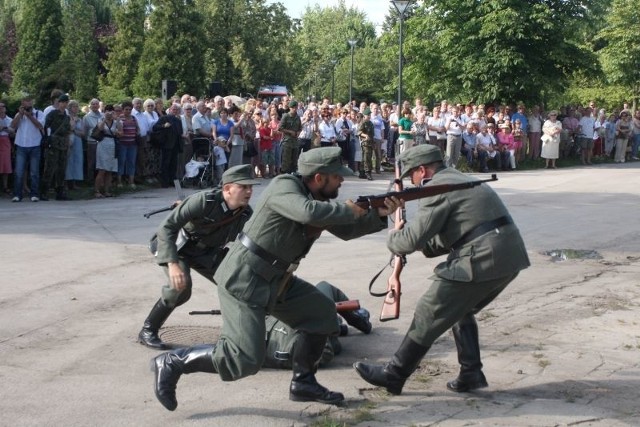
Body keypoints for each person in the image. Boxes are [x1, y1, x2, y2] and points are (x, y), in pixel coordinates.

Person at [151, 147, 401, 411]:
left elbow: (346, 230)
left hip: (277, 278)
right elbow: (308, 213)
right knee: (245, 359)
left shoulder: (318, 202)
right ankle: (173, 362)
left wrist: (379, 215)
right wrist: (350, 209)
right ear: (318, 177)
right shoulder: (285, 187)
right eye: (337, 176)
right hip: (244, 279)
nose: (342, 181)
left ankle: (303, 383)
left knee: (321, 314)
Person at [354, 144, 530, 396]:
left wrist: (395, 235)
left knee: (430, 308)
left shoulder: (437, 189)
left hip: (482, 255)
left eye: (411, 176)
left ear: (422, 170)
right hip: (508, 254)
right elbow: (446, 236)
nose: (411, 182)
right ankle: (470, 373)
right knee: (460, 309)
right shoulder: (460, 180)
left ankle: (394, 375)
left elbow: (410, 240)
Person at [138, 165, 259, 350]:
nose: (249, 191)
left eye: (251, 187)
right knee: (180, 288)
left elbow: (248, 243)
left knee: (237, 282)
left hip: (207, 252)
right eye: (243, 187)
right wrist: (172, 264)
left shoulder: (245, 213)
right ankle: (148, 330)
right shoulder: (204, 201)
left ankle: (241, 332)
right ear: (227, 188)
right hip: (180, 248)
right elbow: (167, 228)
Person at [263, 281, 372, 370]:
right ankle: (359, 319)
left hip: (289, 332)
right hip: (315, 335)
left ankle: (341, 324)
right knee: (324, 286)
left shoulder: (251, 352)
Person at [11, 97, 45, 202]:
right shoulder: (19, 114)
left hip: (35, 145)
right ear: (22, 103)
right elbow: (12, 126)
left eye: (30, 101)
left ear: (33, 102)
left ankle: (34, 194)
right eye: (26, 101)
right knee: (19, 172)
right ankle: (17, 194)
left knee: (34, 172)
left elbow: (40, 126)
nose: (28, 103)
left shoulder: (39, 113)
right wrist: (20, 115)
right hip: (21, 145)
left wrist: (30, 116)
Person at [41, 94, 72, 201]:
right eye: (63, 102)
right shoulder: (52, 114)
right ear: (59, 103)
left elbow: (68, 131)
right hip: (53, 144)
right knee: (49, 168)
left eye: (66, 103)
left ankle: (60, 192)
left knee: (61, 169)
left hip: (63, 144)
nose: (64, 104)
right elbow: (46, 127)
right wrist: (48, 140)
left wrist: (68, 144)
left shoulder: (67, 117)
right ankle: (44, 192)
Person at [94, 104, 121, 198]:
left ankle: (106, 190)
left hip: (112, 144)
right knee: (102, 169)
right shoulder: (101, 120)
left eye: (111, 111)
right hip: (103, 144)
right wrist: (105, 119)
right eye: (107, 111)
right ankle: (97, 191)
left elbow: (121, 132)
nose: (109, 113)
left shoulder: (116, 121)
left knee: (110, 170)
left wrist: (116, 119)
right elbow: (100, 128)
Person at [278, 100, 302, 173]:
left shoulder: (297, 117)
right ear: (290, 108)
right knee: (286, 160)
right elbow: (280, 128)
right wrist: (289, 132)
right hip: (287, 141)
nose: (295, 109)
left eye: (296, 107)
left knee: (295, 160)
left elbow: (300, 128)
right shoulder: (286, 116)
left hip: (295, 141)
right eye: (293, 108)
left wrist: (298, 132)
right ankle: (284, 175)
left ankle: (293, 174)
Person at [0, 100, 14, 195]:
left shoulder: (9, 119)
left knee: (5, 164)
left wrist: (4, 128)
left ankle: (5, 186)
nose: (1, 109)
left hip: (5, 141)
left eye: (2, 106)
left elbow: (12, 131)